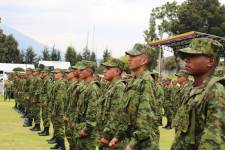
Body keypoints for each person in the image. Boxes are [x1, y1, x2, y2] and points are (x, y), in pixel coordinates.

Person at [171, 38, 225, 150]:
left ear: (210, 61)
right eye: (187, 56)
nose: (187, 60)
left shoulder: (216, 92)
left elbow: (213, 142)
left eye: (194, 56)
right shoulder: (190, 88)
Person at [109, 46, 159, 150]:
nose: (129, 59)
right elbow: (126, 115)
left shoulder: (146, 82)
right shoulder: (132, 82)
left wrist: (132, 144)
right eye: (129, 56)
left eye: (133, 56)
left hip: (144, 144)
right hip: (133, 140)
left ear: (144, 60)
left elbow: (145, 120)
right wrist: (118, 136)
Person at [96, 58, 126, 150]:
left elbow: (116, 115)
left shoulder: (119, 87)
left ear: (117, 71)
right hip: (105, 134)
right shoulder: (111, 87)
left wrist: (107, 136)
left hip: (112, 139)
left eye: (108, 68)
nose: (104, 71)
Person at [50, 68, 66, 150]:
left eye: (56, 73)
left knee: (59, 128)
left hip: (59, 110)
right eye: (54, 73)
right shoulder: (56, 83)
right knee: (56, 127)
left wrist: (55, 110)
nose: (54, 74)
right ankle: (58, 144)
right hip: (55, 108)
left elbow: (59, 99)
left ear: (61, 74)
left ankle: (62, 146)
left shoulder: (61, 84)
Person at [38, 68, 51, 136]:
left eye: (43, 72)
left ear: (47, 73)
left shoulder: (48, 81)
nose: (42, 74)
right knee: (43, 115)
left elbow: (48, 93)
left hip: (46, 101)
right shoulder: (44, 80)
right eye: (42, 72)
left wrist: (47, 101)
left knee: (46, 116)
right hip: (43, 100)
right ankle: (45, 129)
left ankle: (47, 131)